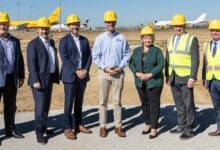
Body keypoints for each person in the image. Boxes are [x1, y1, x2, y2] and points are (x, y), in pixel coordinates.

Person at [92, 10, 130, 138]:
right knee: (102, 101)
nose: (110, 23)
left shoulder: (121, 38)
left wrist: (120, 67)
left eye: (112, 21)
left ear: (115, 21)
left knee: (117, 101)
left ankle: (118, 126)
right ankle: (102, 126)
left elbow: (127, 54)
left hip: (118, 74)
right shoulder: (100, 38)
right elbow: (96, 57)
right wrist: (104, 68)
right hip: (104, 73)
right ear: (105, 23)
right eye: (108, 21)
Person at [165, 14, 199, 140]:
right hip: (173, 77)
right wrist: (167, 75)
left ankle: (189, 129)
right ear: (173, 26)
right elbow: (167, 58)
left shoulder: (191, 39)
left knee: (188, 103)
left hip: (185, 77)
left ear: (184, 26)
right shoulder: (170, 40)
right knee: (179, 104)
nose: (178, 28)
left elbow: (195, 60)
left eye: (180, 25)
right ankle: (181, 124)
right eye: (176, 26)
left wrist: (192, 77)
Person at [59, 14, 92, 140]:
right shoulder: (64, 41)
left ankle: (78, 125)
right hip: (70, 77)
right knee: (68, 103)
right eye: (72, 24)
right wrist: (76, 71)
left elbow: (89, 56)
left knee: (79, 103)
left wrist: (85, 70)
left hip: (83, 76)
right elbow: (65, 59)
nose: (75, 26)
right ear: (68, 26)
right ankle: (68, 128)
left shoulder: (84, 40)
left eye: (77, 24)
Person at [27, 17, 59, 144]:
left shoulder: (51, 42)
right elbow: (31, 63)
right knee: (40, 108)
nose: (44, 30)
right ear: (37, 30)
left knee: (46, 106)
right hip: (38, 81)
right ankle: (39, 133)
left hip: (49, 79)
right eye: (42, 28)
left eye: (46, 28)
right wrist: (35, 80)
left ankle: (44, 126)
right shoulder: (33, 44)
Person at [129, 26, 164, 139]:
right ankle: (147, 123)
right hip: (140, 82)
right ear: (141, 39)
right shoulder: (137, 51)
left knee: (154, 104)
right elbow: (131, 64)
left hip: (154, 82)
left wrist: (151, 74)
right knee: (144, 104)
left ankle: (154, 127)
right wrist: (136, 73)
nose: (147, 40)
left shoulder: (157, 51)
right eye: (145, 38)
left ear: (152, 38)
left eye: (149, 38)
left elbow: (161, 64)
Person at [0, 12, 25, 139]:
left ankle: (10, 130)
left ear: (9, 24)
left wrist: (21, 76)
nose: (2, 26)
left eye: (4, 23)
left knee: (10, 106)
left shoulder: (15, 41)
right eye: (0, 24)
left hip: (11, 78)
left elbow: (19, 59)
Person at [202, 19, 220, 136]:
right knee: (217, 107)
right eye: (213, 30)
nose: (215, 32)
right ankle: (219, 129)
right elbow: (205, 63)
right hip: (211, 81)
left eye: (217, 30)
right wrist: (204, 78)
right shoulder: (207, 45)